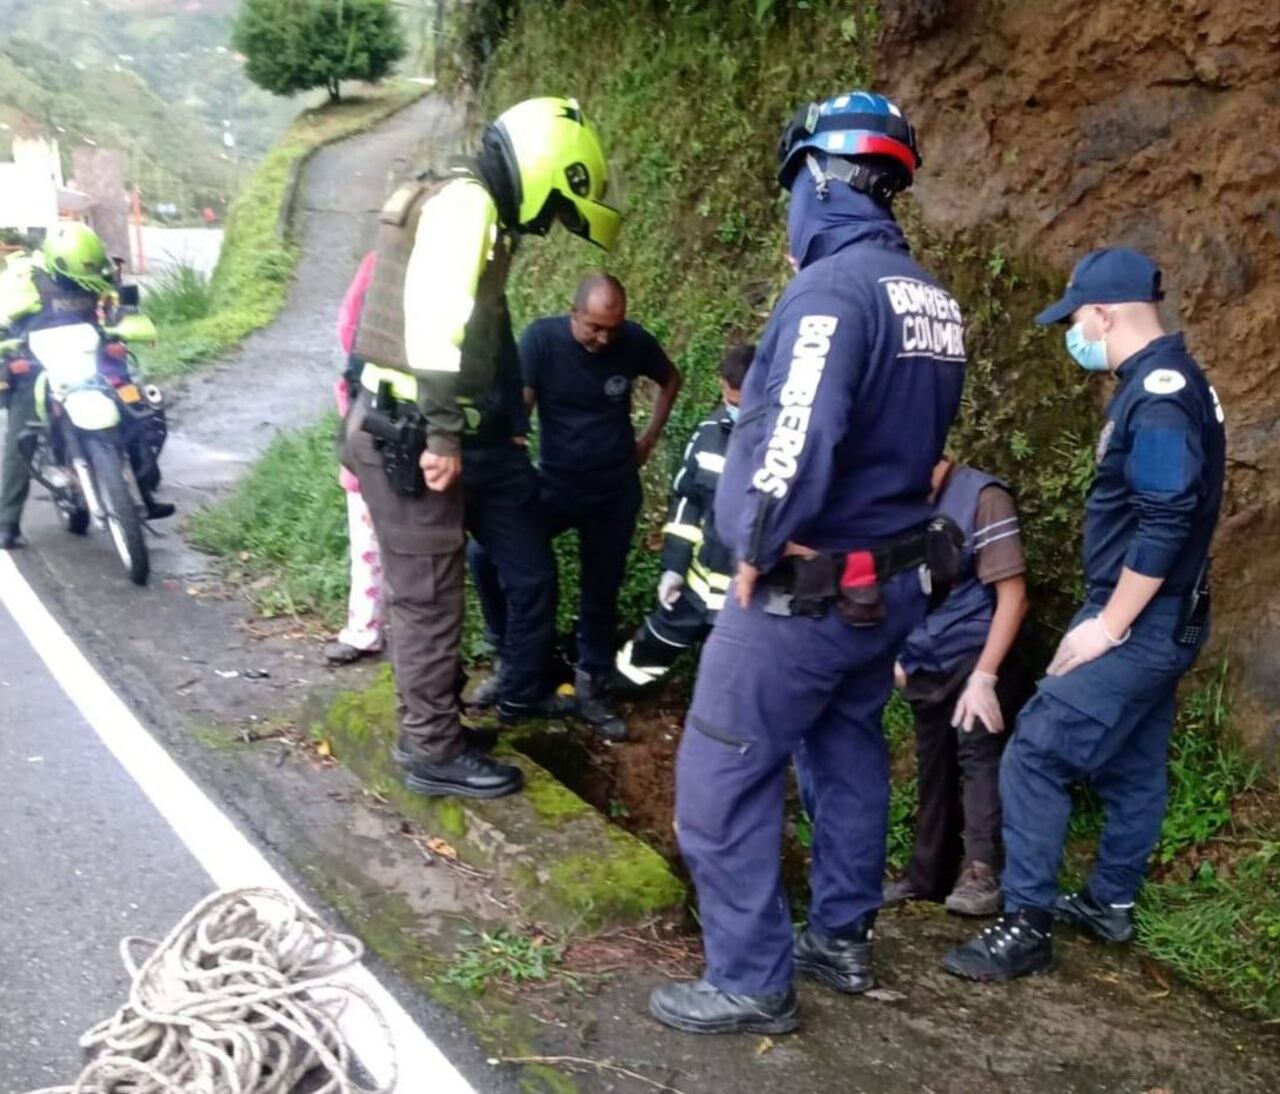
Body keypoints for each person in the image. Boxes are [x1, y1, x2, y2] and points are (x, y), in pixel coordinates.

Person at [648, 90, 966, 1035]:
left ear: (820, 178)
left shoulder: (830, 293)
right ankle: (841, 938)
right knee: (845, 749)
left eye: (794, 183)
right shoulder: (931, 299)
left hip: (805, 591)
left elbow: (793, 436)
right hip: (889, 588)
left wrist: (750, 539)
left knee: (718, 776)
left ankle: (750, 978)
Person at [943, 247, 1225, 982]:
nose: (1073, 333)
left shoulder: (1160, 395)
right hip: (1166, 615)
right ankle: (1110, 903)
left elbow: (1166, 520)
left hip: (1144, 618)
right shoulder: (1168, 382)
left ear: (1103, 311)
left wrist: (1110, 624)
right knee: (1132, 767)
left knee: (1036, 748)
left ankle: (1026, 924)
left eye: (1075, 318)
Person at [340, 97, 620, 800]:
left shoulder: (467, 201)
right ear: (540, 167)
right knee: (428, 599)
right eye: (554, 203)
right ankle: (431, 750)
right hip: (413, 430)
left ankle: (438, 726)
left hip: (433, 425)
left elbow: (477, 327)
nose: (546, 222)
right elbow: (435, 323)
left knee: (451, 587)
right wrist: (440, 432)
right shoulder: (467, 206)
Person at [471, 273, 682, 740]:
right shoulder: (542, 341)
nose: (603, 338)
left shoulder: (630, 341)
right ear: (574, 314)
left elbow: (670, 378)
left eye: (612, 328)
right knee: (485, 554)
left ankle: (590, 686)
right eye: (593, 327)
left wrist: (647, 439)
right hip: (555, 485)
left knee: (599, 589)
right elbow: (519, 411)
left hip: (614, 491)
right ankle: (511, 661)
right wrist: (513, 459)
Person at [882, 456, 1031, 917]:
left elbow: (1014, 596)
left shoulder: (983, 498)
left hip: (980, 649)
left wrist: (985, 675)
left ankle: (981, 871)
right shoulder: (892, 500)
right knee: (934, 763)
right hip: (924, 657)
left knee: (977, 749)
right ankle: (927, 875)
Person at [1, 223, 173, 550]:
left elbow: (116, 305)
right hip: (40, 362)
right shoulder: (25, 282)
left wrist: (125, 321)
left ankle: (145, 493)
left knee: (135, 411)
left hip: (91, 356)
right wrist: (9, 346)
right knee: (21, 428)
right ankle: (7, 521)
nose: (91, 281)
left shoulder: (97, 272)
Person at [613, 343, 753, 692]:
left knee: (730, 685)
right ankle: (606, 696)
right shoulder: (708, 434)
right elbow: (686, 504)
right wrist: (673, 566)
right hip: (694, 588)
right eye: (729, 401)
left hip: (745, 601)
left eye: (742, 404)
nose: (733, 410)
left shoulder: (786, 448)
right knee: (643, 657)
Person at [325, 250, 385, 666]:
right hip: (375, 411)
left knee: (369, 538)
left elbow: (348, 326)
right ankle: (369, 628)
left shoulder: (380, 261)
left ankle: (365, 630)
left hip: (366, 409)